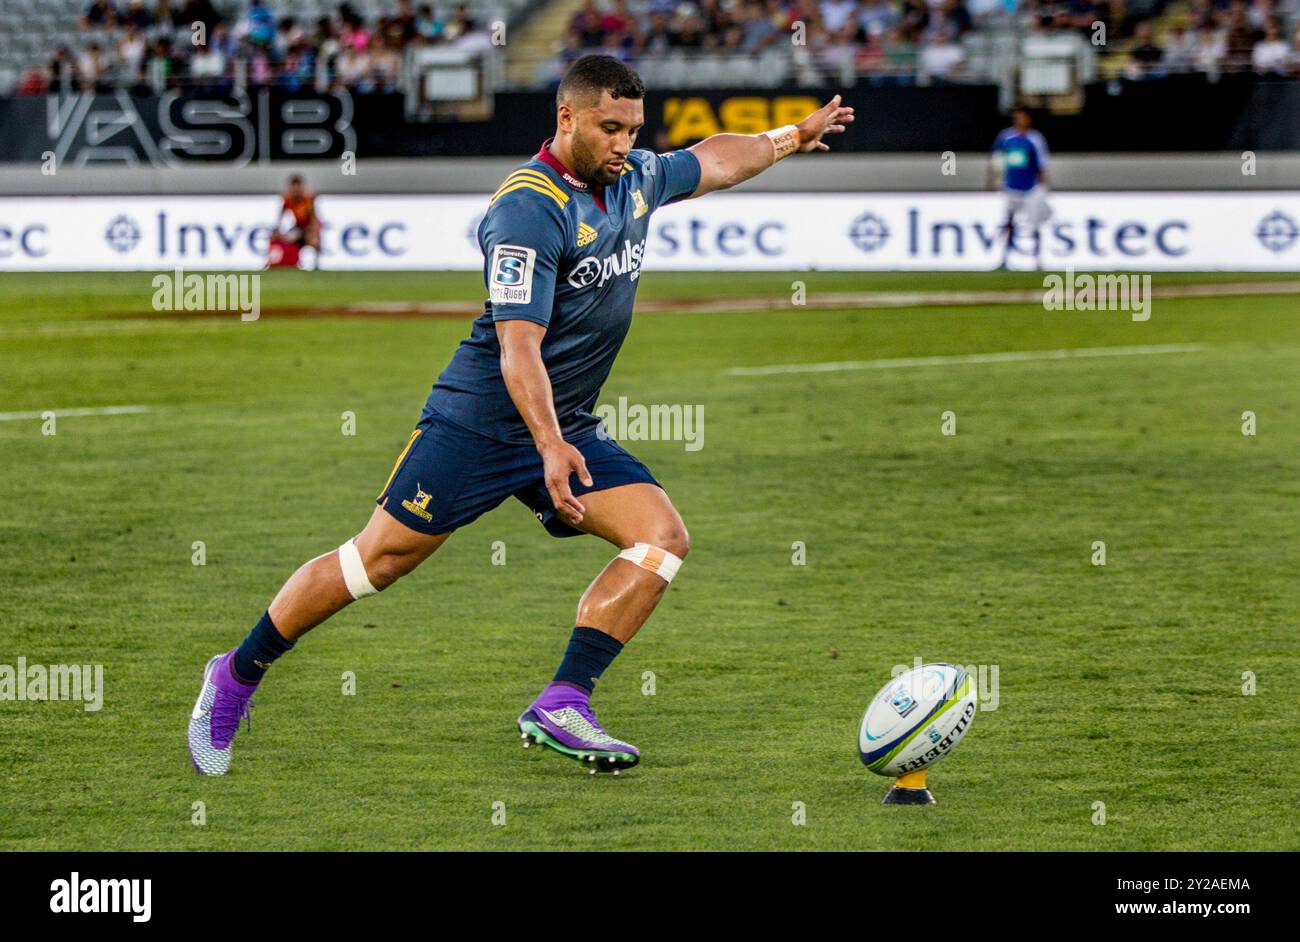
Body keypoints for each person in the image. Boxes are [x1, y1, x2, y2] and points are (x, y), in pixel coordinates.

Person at [187, 54, 853, 777]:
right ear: (565, 118)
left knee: (659, 538)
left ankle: (564, 700)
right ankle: (236, 674)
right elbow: (517, 349)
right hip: (479, 423)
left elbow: (713, 161)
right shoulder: (527, 207)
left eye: (633, 129)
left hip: (564, 424)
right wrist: (548, 446)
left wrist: (792, 135)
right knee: (374, 562)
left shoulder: (633, 181)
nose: (624, 145)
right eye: (609, 129)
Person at [987, 104, 1051, 269]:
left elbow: (1042, 165)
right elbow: (997, 160)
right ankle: (1004, 259)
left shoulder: (1035, 139)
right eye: (1017, 117)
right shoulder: (1006, 137)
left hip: (1030, 188)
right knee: (1009, 223)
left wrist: (1043, 187)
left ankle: (1038, 260)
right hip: (1011, 187)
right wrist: (994, 180)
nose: (1019, 120)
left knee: (1034, 225)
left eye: (1022, 117)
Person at [274, 175, 321, 270]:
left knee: (313, 241)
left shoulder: (308, 199)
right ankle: (288, 263)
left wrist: (313, 232)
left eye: (298, 188)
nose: (296, 191)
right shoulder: (288, 200)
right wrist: (278, 230)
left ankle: (316, 264)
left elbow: (313, 218)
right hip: (298, 227)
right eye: (293, 188)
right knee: (284, 238)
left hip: (308, 227)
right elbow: (281, 216)